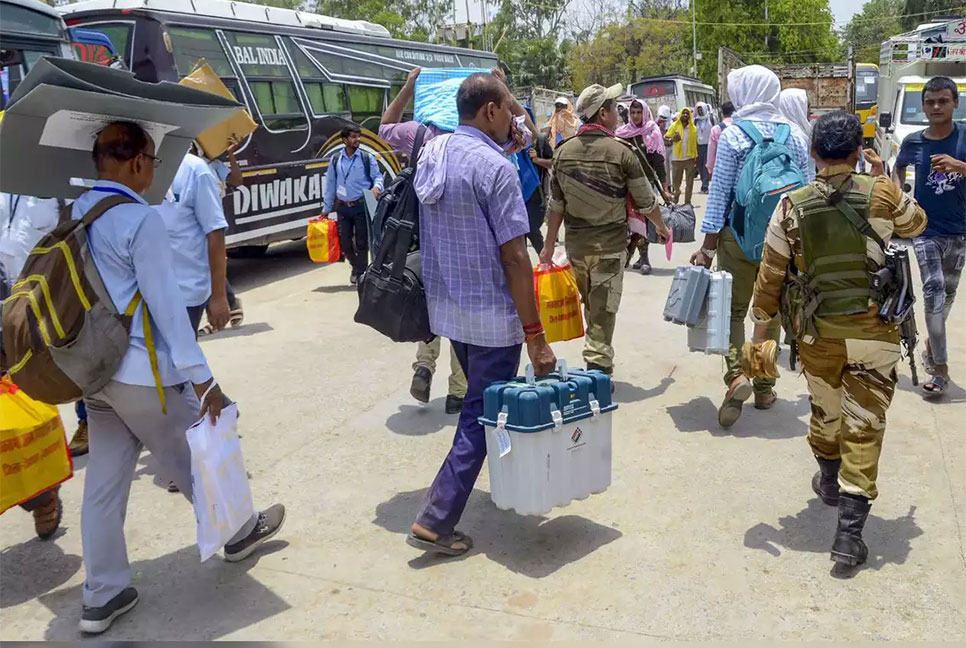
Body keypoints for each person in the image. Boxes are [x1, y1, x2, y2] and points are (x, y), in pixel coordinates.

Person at [73, 122, 285, 634]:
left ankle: (102, 595)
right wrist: (203, 378)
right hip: (144, 372)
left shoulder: (75, 211)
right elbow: (167, 309)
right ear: (138, 162)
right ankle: (237, 534)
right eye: (152, 159)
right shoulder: (138, 219)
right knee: (199, 458)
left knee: (103, 484)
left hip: (95, 371)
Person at [748, 111, 926, 574]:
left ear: (812, 154)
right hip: (875, 335)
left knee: (826, 411)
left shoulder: (791, 205)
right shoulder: (882, 193)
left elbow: (769, 276)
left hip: (817, 335)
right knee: (864, 423)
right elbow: (917, 224)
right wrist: (884, 177)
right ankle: (849, 536)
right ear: (856, 152)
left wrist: (759, 337)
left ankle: (830, 482)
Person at [406, 73, 556, 556]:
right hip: (492, 317)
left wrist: (508, 147)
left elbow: (468, 188)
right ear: (489, 112)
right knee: (480, 414)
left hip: (449, 309)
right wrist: (535, 335)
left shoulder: (435, 150)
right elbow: (515, 257)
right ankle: (437, 516)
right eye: (510, 109)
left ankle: (489, 486)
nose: (516, 118)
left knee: (481, 407)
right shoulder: (496, 169)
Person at [380, 67, 534, 412]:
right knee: (471, 329)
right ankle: (458, 390)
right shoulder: (492, 145)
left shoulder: (425, 136)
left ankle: (424, 363)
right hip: (480, 264)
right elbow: (529, 133)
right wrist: (503, 89)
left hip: (430, 246)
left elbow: (386, 128)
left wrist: (407, 86)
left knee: (438, 307)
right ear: (489, 110)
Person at [691, 64, 811, 428]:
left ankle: (736, 377)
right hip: (782, 242)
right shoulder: (795, 135)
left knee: (730, 309)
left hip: (737, 236)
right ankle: (763, 386)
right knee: (768, 312)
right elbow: (804, 195)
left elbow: (719, 194)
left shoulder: (731, 135)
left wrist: (707, 247)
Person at [540, 83, 669, 376]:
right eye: (614, 108)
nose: (618, 113)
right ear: (603, 113)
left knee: (592, 307)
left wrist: (548, 247)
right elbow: (646, 201)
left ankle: (596, 359)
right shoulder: (621, 152)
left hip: (576, 248)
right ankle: (599, 370)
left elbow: (556, 206)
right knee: (602, 311)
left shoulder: (562, 152)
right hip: (609, 249)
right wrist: (661, 227)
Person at [893, 76, 966, 397]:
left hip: (959, 231)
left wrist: (959, 166)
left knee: (946, 299)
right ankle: (940, 371)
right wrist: (900, 199)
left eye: (943, 101)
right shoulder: (913, 141)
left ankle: (930, 348)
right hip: (925, 231)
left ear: (955, 104)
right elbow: (898, 168)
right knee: (934, 294)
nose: (936, 107)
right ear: (923, 106)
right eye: (930, 102)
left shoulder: (964, 137)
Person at [0, 194, 90, 456]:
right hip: (9, 288)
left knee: (70, 355)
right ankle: (23, 432)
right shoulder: (6, 186)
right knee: (17, 364)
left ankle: (88, 420)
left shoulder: (54, 188)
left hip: (48, 292)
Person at [321, 125, 384, 284]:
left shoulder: (366, 158)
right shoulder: (336, 160)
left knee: (362, 242)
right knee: (345, 243)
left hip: (361, 205)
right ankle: (357, 267)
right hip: (343, 207)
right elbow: (330, 184)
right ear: (344, 140)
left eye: (358, 136)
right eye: (353, 137)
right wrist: (326, 209)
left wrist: (376, 188)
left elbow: (377, 177)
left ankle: (361, 273)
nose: (358, 140)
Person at [616, 99, 672, 274]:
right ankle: (632, 256)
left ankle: (643, 258)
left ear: (645, 112)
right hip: (625, 185)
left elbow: (659, 163)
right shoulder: (622, 133)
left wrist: (665, 188)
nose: (636, 116)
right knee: (628, 222)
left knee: (643, 220)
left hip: (645, 184)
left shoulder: (652, 132)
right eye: (633, 112)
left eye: (639, 112)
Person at [198, 136, 245, 334]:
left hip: (214, 222)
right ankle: (231, 304)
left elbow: (237, 180)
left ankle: (223, 309)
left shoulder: (214, 165)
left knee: (210, 264)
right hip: (196, 222)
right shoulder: (189, 166)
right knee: (205, 265)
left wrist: (231, 154)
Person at [666, 107, 699, 205]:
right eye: (683, 113)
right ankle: (677, 193)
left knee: (690, 182)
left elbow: (696, 143)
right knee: (676, 183)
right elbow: (666, 138)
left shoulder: (693, 129)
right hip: (677, 159)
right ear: (680, 115)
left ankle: (687, 202)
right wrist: (673, 140)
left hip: (689, 158)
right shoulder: (674, 126)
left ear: (689, 116)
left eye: (687, 114)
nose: (685, 115)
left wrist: (696, 157)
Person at [706, 101, 735, 179]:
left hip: (721, 167)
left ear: (722, 112)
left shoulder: (716, 129)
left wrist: (710, 168)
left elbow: (711, 151)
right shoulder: (741, 126)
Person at [695, 102, 714, 193]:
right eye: (698, 110)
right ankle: (703, 181)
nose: (700, 111)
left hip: (709, 145)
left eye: (701, 109)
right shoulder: (696, 121)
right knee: (700, 166)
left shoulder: (711, 119)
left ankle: (705, 186)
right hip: (699, 146)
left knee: (706, 165)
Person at [656, 105, 674, 184]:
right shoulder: (657, 123)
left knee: (673, 166)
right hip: (663, 147)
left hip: (673, 146)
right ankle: (668, 185)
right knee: (665, 168)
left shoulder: (673, 122)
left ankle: (674, 184)